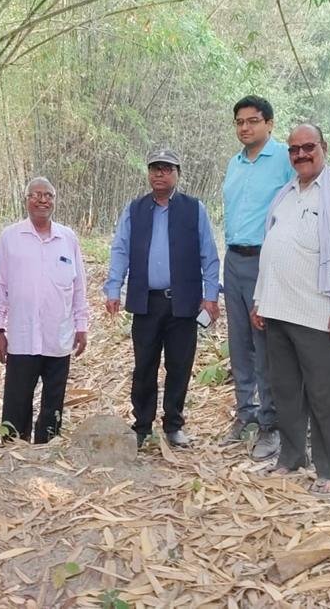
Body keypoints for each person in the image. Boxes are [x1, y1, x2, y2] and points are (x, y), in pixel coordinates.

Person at [251, 124, 330, 493]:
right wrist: (259, 299)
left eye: (308, 147)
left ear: (324, 147)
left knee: (324, 394)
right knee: (285, 390)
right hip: (277, 308)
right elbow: (271, 251)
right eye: (294, 149)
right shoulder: (285, 195)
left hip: (318, 311)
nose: (301, 154)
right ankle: (291, 457)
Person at [104, 149, 220, 448]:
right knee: (144, 366)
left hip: (183, 302)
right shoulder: (135, 209)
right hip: (146, 301)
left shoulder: (194, 209)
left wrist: (210, 297)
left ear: (177, 174)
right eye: (155, 168)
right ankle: (142, 425)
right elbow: (120, 249)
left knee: (179, 365)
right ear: (148, 173)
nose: (159, 173)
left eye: (167, 168)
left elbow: (209, 254)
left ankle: (173, 424)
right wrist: (113, 288)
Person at [221, 95, 296, 460]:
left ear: (269, 123)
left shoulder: (284, 158)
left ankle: (271, 425)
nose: (245, 128)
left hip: (266, 262)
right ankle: (245, 416)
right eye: (239, 122)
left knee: (265, 343)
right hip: (234, 260)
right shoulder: (234, 164)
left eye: (252, 121)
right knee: (239, 345)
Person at [0, 178, 89, 443]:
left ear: (55, 201)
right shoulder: (11, 237)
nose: (42, 200)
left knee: (54, 397)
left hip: (58, 333)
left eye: (48, 195)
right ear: (26, 199)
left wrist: (82, 326)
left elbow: (78, 286)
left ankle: (47, 445)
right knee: (17, 396)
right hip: (22, 335)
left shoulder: (67, 238)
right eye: (36, 195)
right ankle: (12, 444)